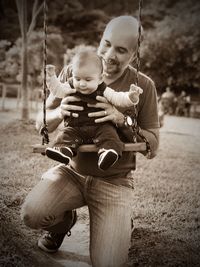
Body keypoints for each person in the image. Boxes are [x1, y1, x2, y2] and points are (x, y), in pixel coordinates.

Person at [21, 15, 159, 267]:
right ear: (100, 40)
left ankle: (119, 218)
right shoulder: (73, 73)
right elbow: (40, 124)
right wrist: (60, 111)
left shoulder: (142, 87)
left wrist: (121, 118)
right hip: (72, 173)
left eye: (120, 50)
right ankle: (63, 223)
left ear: (134, 54)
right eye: (106, 44)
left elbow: (153, 146)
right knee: (33, 214)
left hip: (114, 182)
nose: (109, 55)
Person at [45, 51, 143, 170]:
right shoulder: (70, 86)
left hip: (100, 127)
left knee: (110, 136)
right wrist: (51, 78)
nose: (81, 84)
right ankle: (64, 152)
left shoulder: (104, 90)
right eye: (77, 78)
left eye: (88, 80)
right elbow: (58, 90)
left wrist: (130, 97)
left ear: (100, 79)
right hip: (75, 127)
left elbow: (118, 99)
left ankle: (107, 154)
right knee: (65, 136)